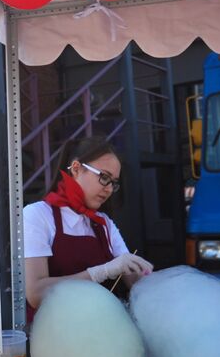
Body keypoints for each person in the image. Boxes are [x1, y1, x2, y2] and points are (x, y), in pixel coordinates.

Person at [22, 135, 153, 317]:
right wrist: (101, 272)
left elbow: (132, 276)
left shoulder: (103, 222)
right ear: (76, 168)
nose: (108, 189)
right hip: (53, 334)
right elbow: (36, 293)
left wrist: (149, 278)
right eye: (104, 177)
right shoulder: (37, 215)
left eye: (113, 183)